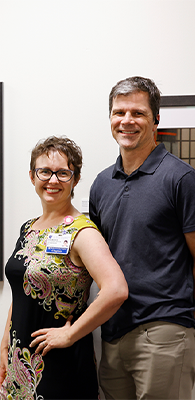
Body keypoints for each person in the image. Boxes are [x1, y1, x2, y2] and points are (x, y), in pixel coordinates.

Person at [89, 76, 195, 399]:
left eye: (138, 113)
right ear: (110, 119)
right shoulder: (101, 184)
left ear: (156, 120)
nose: (127, 121)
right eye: (119, 112)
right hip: (113, 334)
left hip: (164, 333)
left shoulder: (181, 178)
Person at [0, 136, 128, 399]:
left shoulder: (82, 231)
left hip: (60, 362)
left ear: (75, 179)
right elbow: (22, 289)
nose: (52, 180)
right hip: (19, 355)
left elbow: (116, 290)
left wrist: (70, 334)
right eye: (44, 171)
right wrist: (5, 341)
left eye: (63, 173)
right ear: (33, 176)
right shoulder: (28, 228)